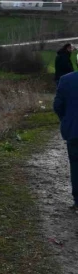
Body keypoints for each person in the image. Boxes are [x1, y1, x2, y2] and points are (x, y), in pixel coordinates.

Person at [54, 69, 78, 210]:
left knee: (75, 165)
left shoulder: (66, 80)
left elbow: (58, 105)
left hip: (74, 130)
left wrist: (66, 119)